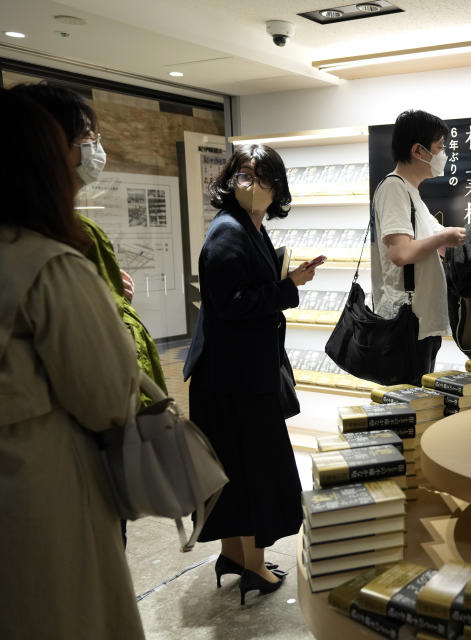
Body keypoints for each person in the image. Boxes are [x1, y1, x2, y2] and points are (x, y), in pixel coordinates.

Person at [0, 89, 145, 639]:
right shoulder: (50, 264)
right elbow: (108, 396)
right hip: (43, 486)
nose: (87, 156)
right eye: (77, 145)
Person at [10, 82, 169, 546]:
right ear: (45, 148)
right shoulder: (57, 256)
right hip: (63, 472)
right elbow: (105, 392)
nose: (95, 150)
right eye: (84, 139)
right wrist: (107, 314)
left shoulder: (62, 241)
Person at [182, 144, 317, 603]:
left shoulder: (249, 228)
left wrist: (285, 280)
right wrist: (289, 287)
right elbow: (233, 304)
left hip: (235, 375)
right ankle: (254, 566)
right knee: (254, 469)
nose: (252, 185)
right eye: (243, 174)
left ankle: (235, 556)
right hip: (233, 380)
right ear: (230, 179)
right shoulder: (227, 233)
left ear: (276, 187)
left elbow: (248, 290)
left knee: (233, 470)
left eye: (262, 177)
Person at [371, 110, 466, 383]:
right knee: (408, 402)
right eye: (439, 148)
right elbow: (400, 253)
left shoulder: (411, 191)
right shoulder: (394, 188)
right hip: (406, 322)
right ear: (418, 150)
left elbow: (429, 245)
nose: (443, 155)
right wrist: (442, 238)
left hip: (419, 320)